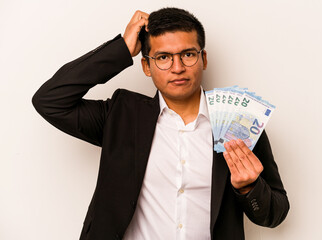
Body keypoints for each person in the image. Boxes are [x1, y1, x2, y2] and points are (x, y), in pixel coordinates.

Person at [32, 7, 289, 240]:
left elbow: (275, 214)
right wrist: (121, 48)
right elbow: (50, 100)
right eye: (163, 57)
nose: (177, 67)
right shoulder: (120, 116)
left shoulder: (238, 124)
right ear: (146, 65)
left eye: (188, 54)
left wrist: (249, 188)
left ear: (204, 59)